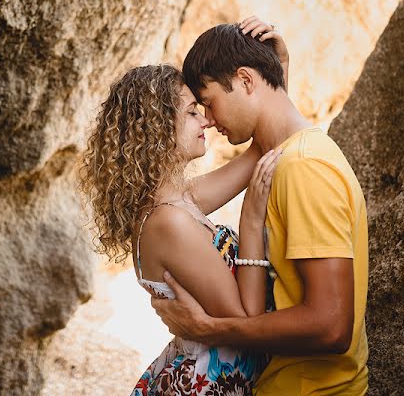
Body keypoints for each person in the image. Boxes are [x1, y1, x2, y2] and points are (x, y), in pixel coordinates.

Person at [151, 20, 369, 395]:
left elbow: (332, 326)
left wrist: (207, 328)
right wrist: (279, 75)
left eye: (209, 102)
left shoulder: (303, 169)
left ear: (246, 81)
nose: (209, 119)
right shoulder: (291, 155)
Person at [79, 17, 288, 395]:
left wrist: (274, 72)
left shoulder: (177, 202)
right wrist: (252, 219)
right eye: (193, 111)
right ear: (158, 128)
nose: (207, 119)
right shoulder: (168, 222)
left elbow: (263, 148)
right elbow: (248, 322)